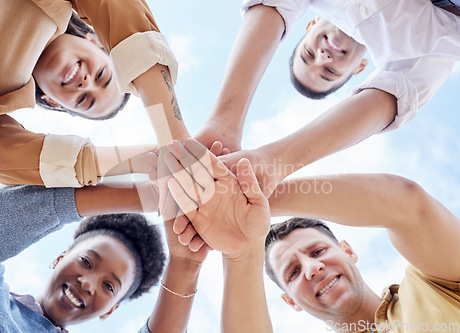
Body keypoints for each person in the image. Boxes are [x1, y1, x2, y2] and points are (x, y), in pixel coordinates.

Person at [162, 140, 460, 333]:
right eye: (292, 272)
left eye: (317, 251)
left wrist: (256, 198)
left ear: (348, 250)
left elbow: (406, 205)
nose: (312, 268)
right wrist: (241, 251)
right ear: (290, 301)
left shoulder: (432, 287)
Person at [196, 0, 460, 196]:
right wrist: (274, 163)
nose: (322, 58)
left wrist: (224, 122)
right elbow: (390, 98)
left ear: (309, 25)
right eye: (329, 72)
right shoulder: (416, 53)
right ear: (359, 70)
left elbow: (275, 5)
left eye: (308, 54)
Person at [0, 0, 190, 188]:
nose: (86, 84)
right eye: (101, 74)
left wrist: (154, 160)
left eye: (83, 100)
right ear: (97, 41)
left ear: (54, 102)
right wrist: (175, 138)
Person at [0, 179, 209, 333]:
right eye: (86, 262)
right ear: (61, 257)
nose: (88, 284)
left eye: (109, 286)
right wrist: (154, 195)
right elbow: (1, 214)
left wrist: (185, 265)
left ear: (110, 311)